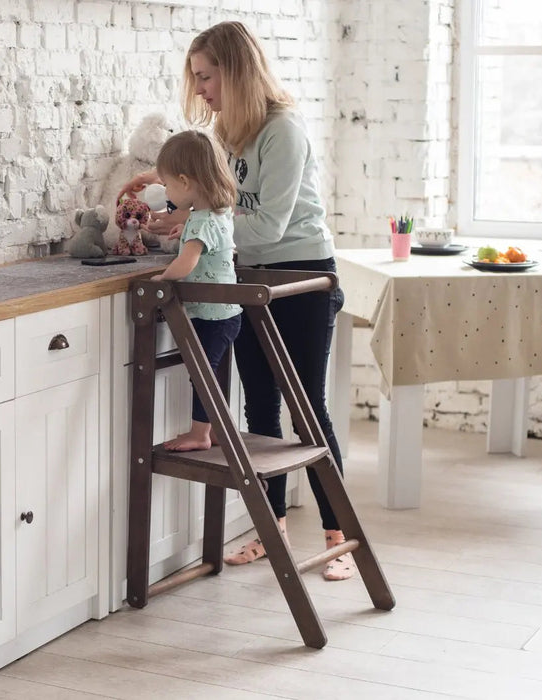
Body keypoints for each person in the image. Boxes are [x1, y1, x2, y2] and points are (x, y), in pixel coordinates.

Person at [120, 21, 352, 581]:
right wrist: (161, 189)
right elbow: (209, 188)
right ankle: (270, 527)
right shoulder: (227, 130)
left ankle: (338, 536)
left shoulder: (282, 131)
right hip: (244, 277)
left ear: (235, 71)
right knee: (260, 410)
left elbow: (268, 224)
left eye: (206, 76)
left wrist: (201, 227)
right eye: (195, 78)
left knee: (307, 408)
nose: (199, 89)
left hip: (298, 274)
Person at [150, 129, 242, 452]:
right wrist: (184, 230)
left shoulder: (200, 222)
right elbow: (208, 242)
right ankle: (216, 427)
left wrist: (161, 282)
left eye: (168, 185)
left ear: (186, 183)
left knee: (202, 375)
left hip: (210, 314)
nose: (167, 192)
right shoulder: (218, 213)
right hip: (227, 314)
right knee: (211, 370)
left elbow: (187, 263)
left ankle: (199, 433)